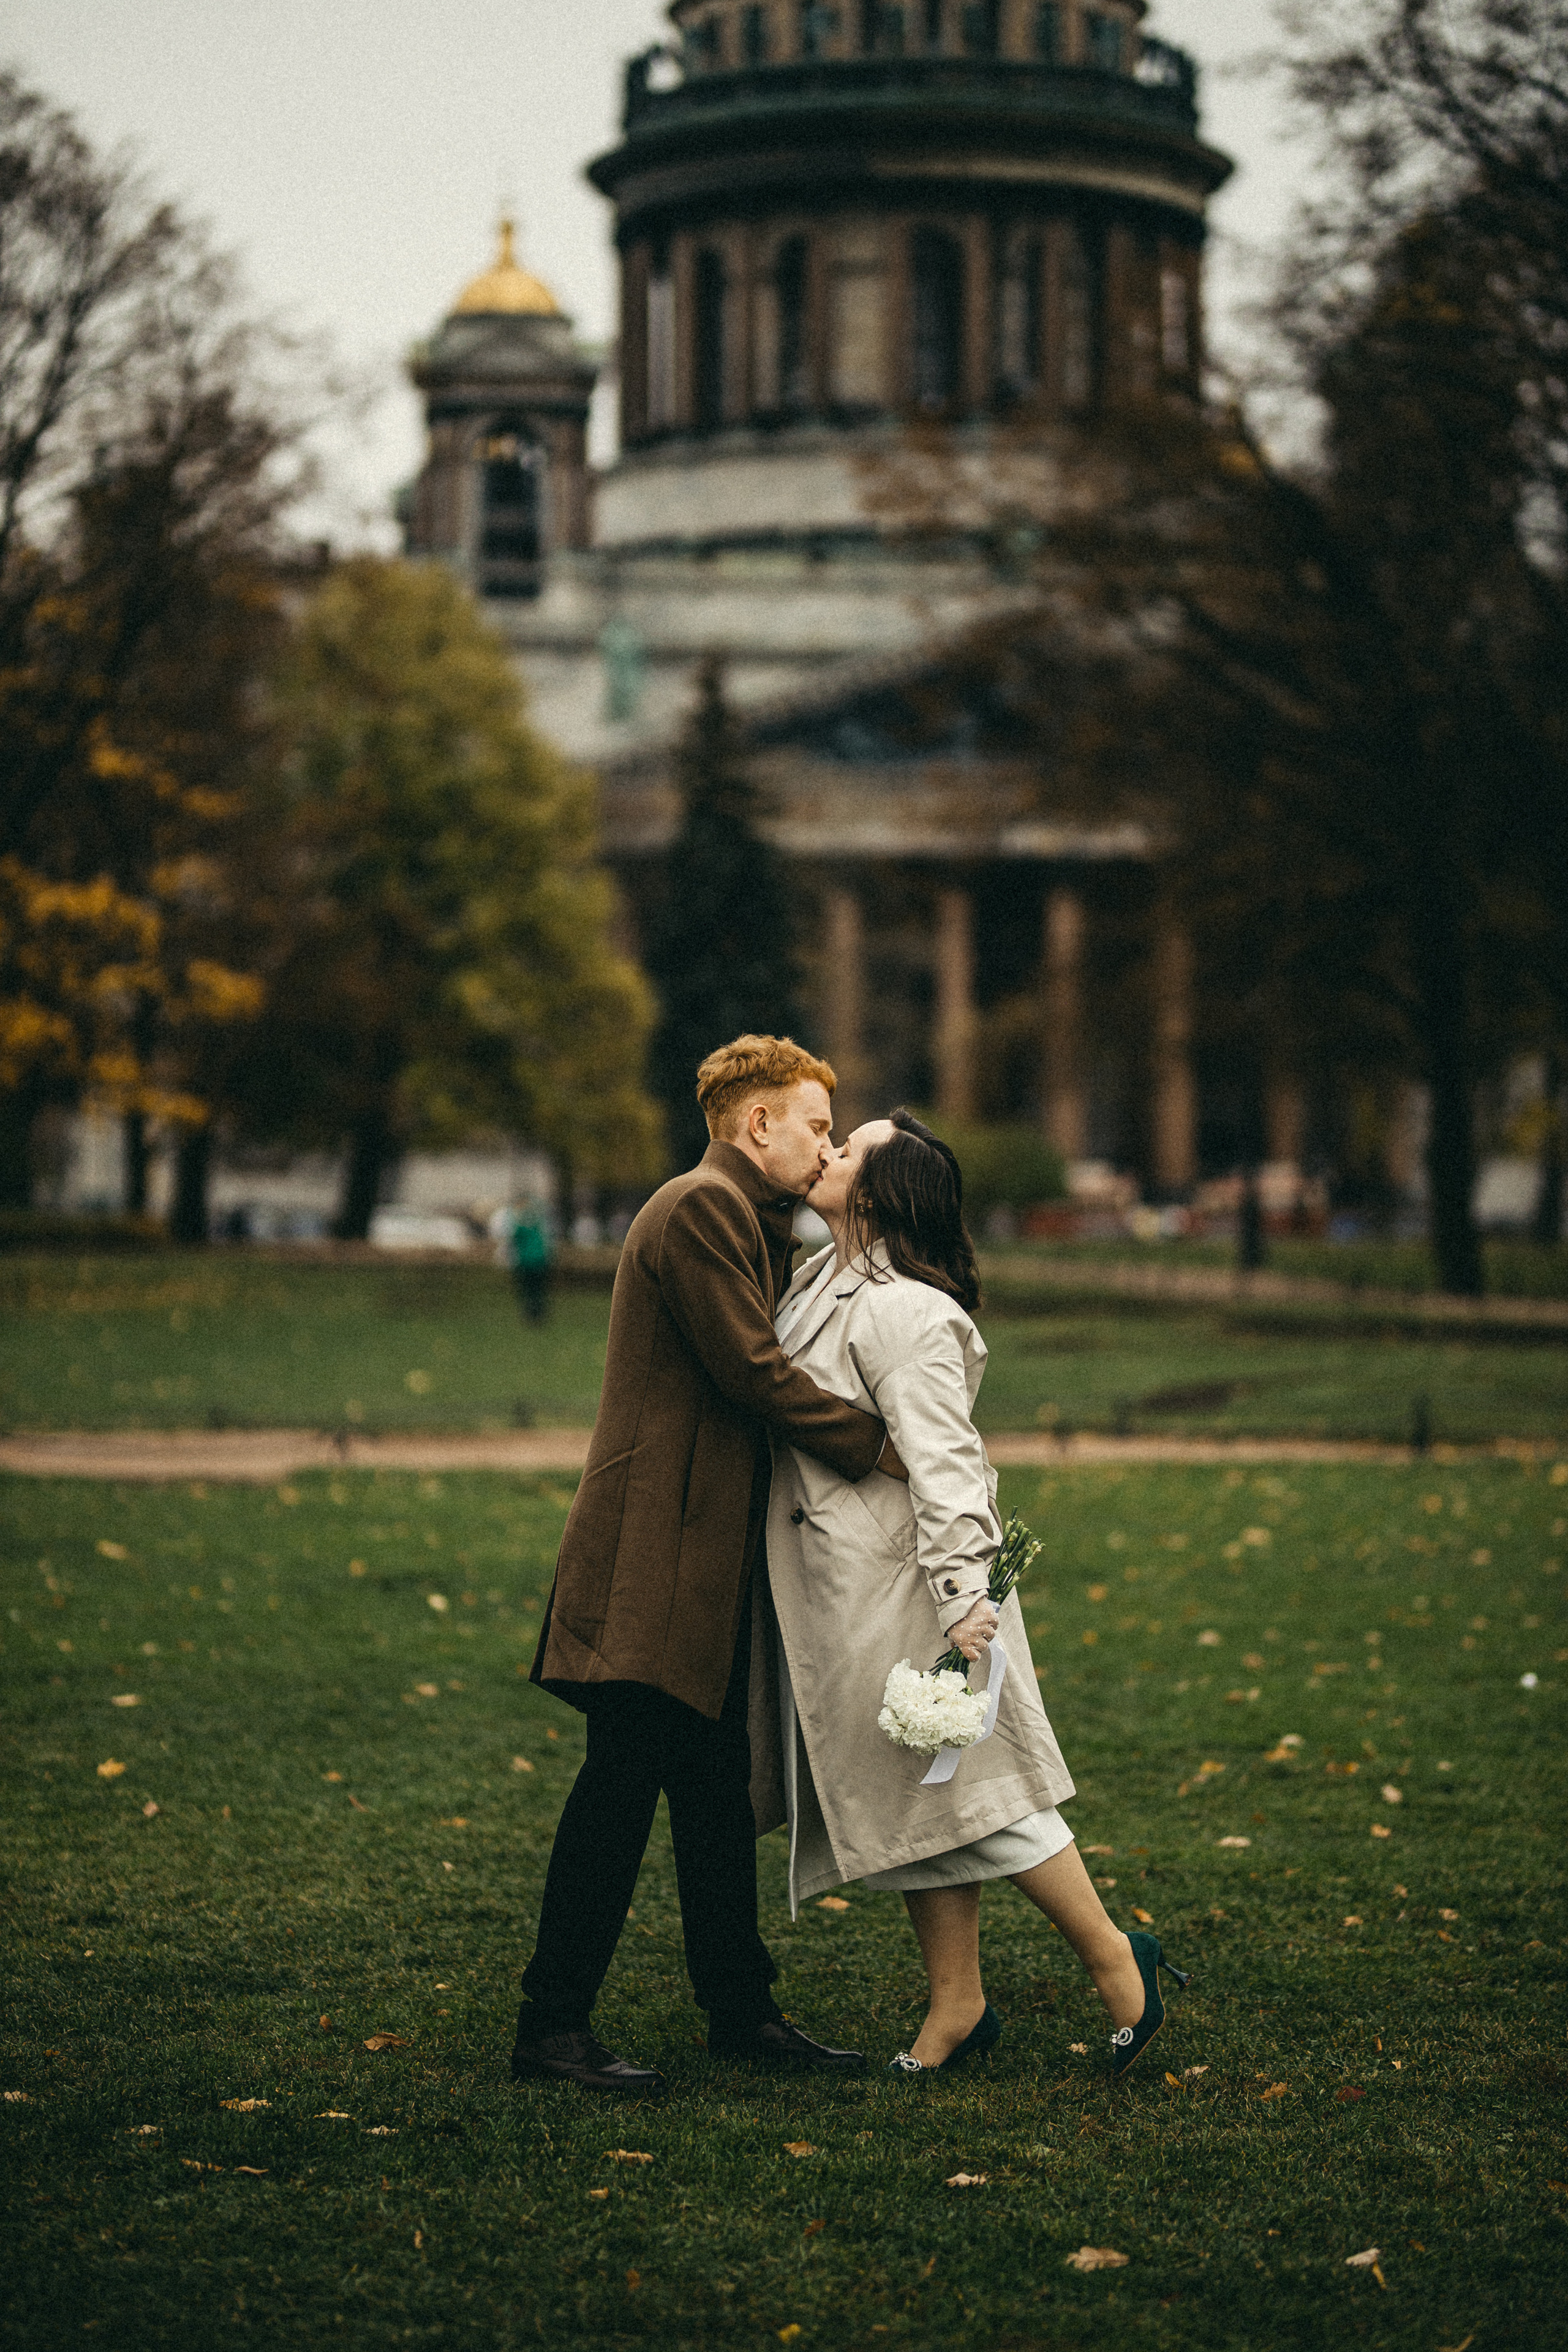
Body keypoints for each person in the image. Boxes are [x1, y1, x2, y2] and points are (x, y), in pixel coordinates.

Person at [761, 1109, 1192, 2081]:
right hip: (847, 1587)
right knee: (921, 1805)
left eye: (849, 1149)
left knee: (986, 1798)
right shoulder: (818, 1280)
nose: (826, 1155)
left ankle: (1122, 1962)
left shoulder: (907, 1310)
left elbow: (948, 1464)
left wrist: (965, 1600)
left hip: (915, 1590)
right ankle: (957, 2003)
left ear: (877, 1193)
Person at [514, 1035, 908, 2096]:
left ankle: (740, 2011)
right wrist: (881, 1445)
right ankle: (551, 2029)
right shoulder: (700, 1210)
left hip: (697, 1556)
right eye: (817, 1125)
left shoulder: (747, 1217)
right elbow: (752, 1371)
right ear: (757, 1124)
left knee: (710, 1796)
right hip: (653, 1553)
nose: (827, 1145)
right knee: (620, 1790)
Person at [505, 1194, 554, 1324]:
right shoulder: (538, 1218)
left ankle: (532, 1314)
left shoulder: (520, 1220)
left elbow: (514, 1238)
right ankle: (537, 1314)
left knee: (529, 1289)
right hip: (538, 1259)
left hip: (528, 1260)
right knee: (537, 1289)